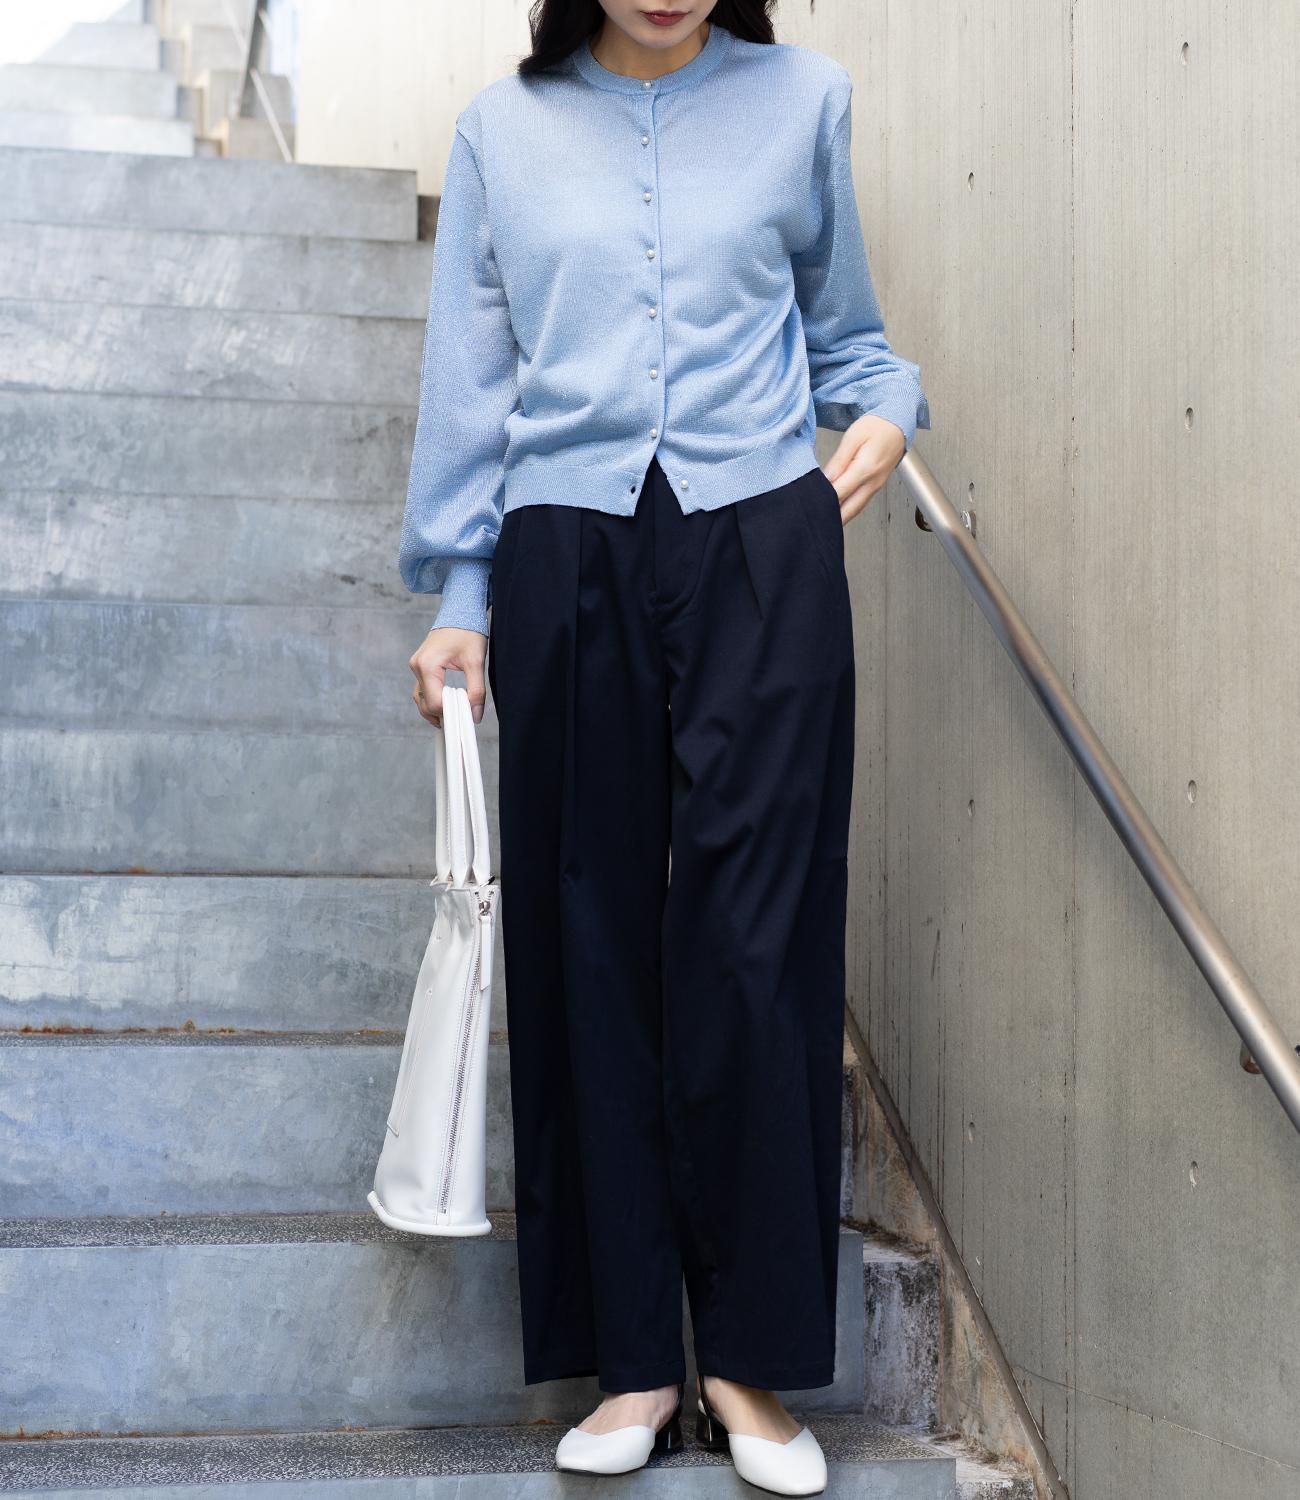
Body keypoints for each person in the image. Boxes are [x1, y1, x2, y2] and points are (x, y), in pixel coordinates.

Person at [399, 2, 930, 1493]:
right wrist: (461, 596)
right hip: (566, 544)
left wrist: (889, 413)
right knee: (588, 934)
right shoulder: (503, 131)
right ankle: (632, 1359)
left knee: (760, 938)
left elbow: (853, 338)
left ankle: (749, 1362)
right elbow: (473, 379)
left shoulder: (804, 101)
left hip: (762, 535)